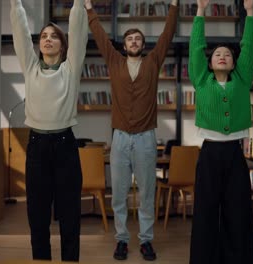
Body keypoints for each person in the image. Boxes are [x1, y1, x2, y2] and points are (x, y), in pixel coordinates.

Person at [84, 0, 179, 261]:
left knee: (147, 194)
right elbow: (101, 36)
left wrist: (173, 5)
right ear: (124, 46)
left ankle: (146, 241)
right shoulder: (114, 61)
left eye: (138, 39)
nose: (134, 42)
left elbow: (168, 33)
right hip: (120, 138)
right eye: (130, 39)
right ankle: (122, 241)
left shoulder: (153, 62)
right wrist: (90, 9)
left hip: (147, 137)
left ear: (143, 45)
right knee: (120, 195)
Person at [10, 0, 88, 261]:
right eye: (43, 36)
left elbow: (78, 30)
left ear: (63, 45)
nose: (48, 39)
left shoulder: (70, 69)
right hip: (37, 148)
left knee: (69, 217)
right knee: (38, 217)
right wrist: (15, 3)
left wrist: (78, 4)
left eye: (54, 36)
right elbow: (20, 33)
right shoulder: (31, 68)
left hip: (66, 146)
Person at [188, 0, 253, 263]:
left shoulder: (242, 79)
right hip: (209, 154)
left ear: (233, 62)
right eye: (217, 53)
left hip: (234, 155)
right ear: (210, 61)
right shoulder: (201, 79)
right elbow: (196, 47)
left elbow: (248, 48)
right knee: (206, 212)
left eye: (228, 54)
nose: (222, 56)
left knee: (237, 212)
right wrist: (200, 11)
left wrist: (249, 12)